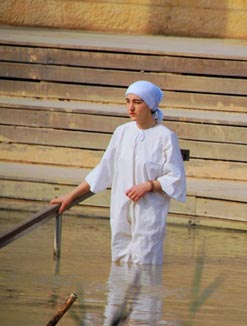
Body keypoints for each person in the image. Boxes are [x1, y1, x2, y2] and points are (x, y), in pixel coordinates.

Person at [51, 80, 186, 265]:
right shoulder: (122, 132)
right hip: (120, 210)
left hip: (149, 213)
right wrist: (71, 196)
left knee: (144, 267)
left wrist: (148, 186)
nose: (131, 107)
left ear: (151, 105)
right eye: (127, 101)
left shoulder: (165, 136)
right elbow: (104, 170)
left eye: (137, 102)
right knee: (119, 264)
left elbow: (175, 176)